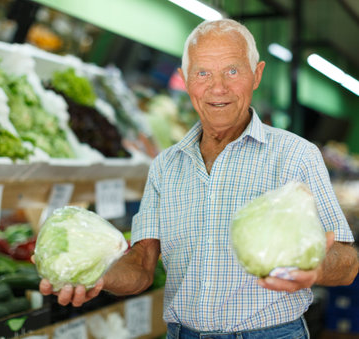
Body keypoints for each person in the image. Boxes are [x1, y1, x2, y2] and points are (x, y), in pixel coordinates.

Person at [39, 19, 359, 338]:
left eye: (232, 71)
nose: (217, 88)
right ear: (185, 79)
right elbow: (140, 266)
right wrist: (99, 276)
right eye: (203, 73)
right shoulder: (166, 166)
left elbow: (347, 263)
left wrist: (314, 267)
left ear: (256, 74)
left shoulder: (296, 155)